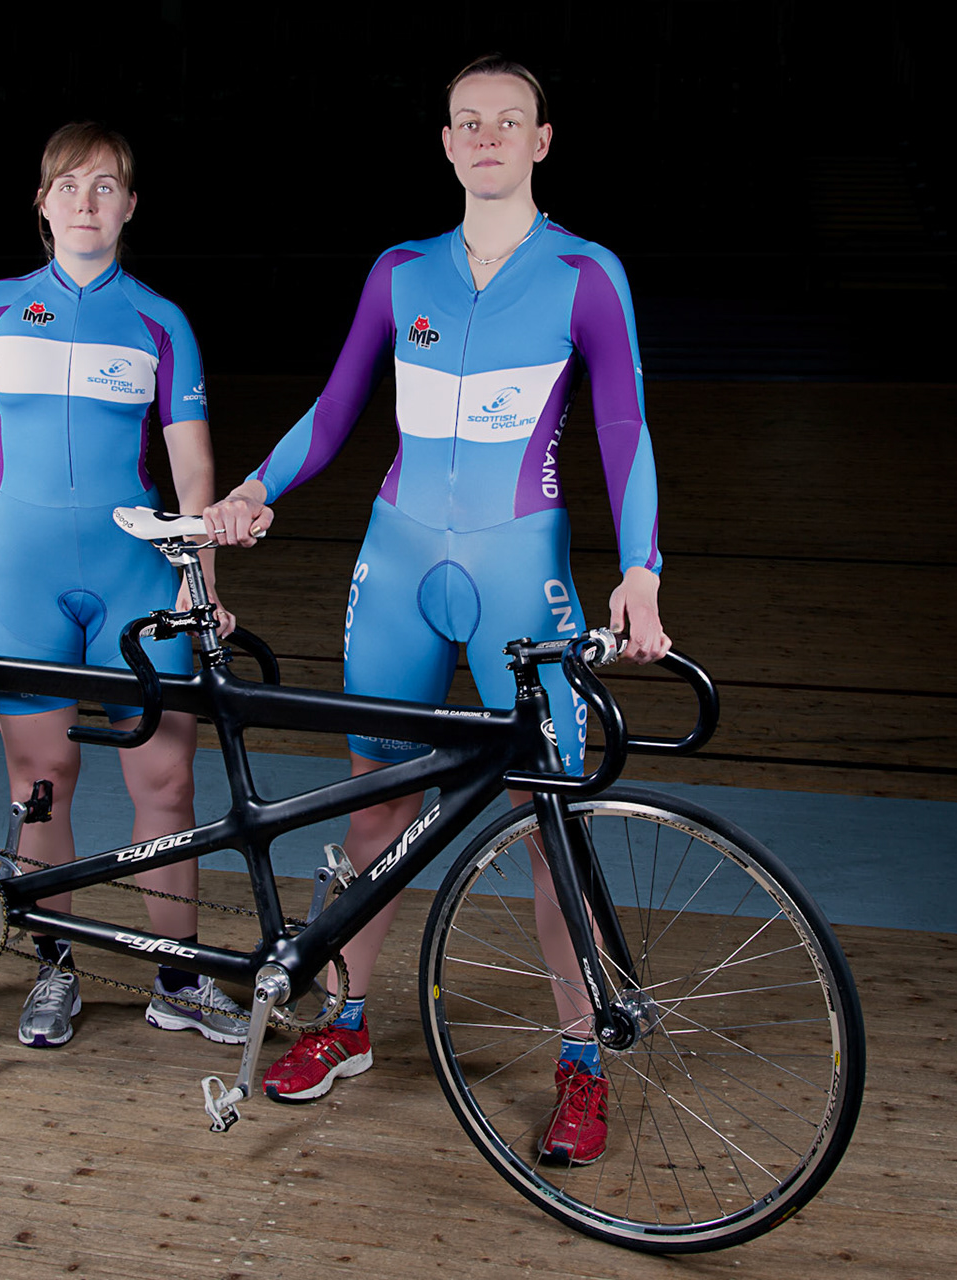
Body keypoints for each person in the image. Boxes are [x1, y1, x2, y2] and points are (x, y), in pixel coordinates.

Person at [202, 57, 672, 1164]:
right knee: (375, 805)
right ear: (449, 144)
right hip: (398, 562)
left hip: (523, 570)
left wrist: (642, 567)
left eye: (510, 120)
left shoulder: (587, 275)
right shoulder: (399, 272)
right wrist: (257, 487)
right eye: (470, 122)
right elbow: (334, 407)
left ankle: (581, 1060)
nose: (489, 136)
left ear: (541, 141)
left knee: (552, 824)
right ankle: (348, 1021)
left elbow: (629, 433)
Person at [0, 121, 247, 1051]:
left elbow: (194, 468)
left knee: (163, 776)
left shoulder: (162, 321)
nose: (87, 203)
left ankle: (179, 980)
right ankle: (55, 965)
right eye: (69, 186)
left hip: (135, 574)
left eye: (107, 186)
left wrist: (199, 580)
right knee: (41, 780)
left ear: (131, 205)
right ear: (42, 204)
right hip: (20, 571)